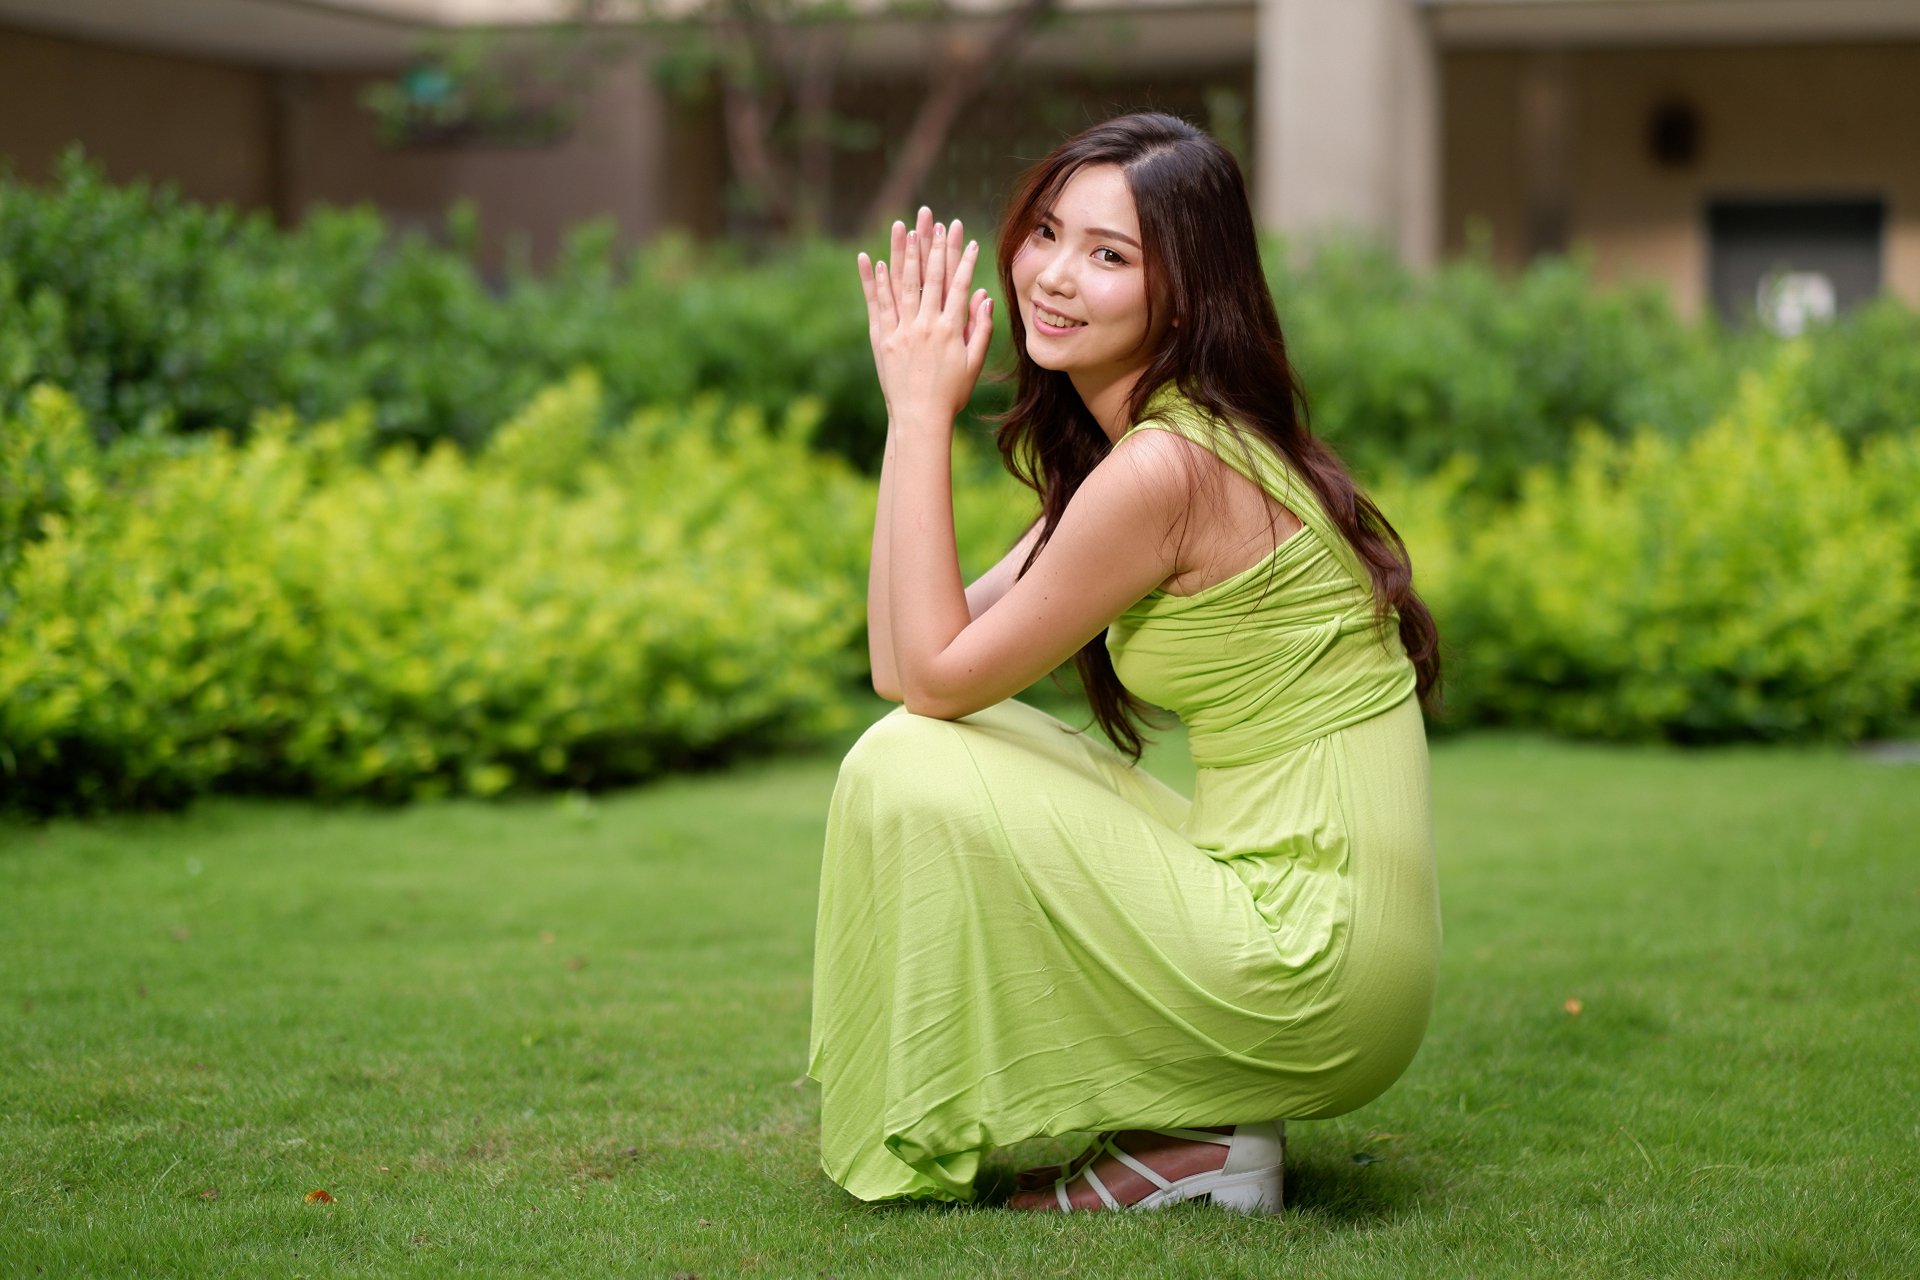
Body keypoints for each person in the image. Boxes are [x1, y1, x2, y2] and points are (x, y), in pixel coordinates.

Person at [807, 112, 1442, 1215]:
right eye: (1047, 232)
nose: (1054, 275)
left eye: (1109, 254)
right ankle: (1206, 1133)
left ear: (1183, 295)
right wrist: (908, 419)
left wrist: (918, 415)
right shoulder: (1167, 446)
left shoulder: (1170, 468)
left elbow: (934, 680)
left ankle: (1207, 1111)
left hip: (1315, 961)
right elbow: (902, 661)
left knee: (906, 760)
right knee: (912, 740)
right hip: (1313, 929)